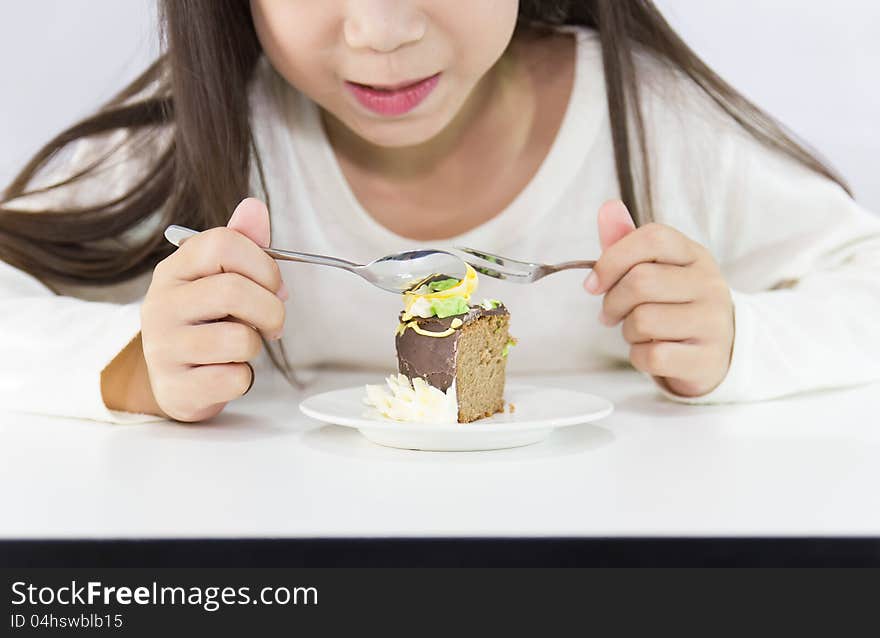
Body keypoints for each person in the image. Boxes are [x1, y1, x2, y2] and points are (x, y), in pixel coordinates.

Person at [1, 1, 878, 423]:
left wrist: (738, 342)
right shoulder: (202, 138)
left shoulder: (654, 126)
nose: (381, 31)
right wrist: (132, 369)